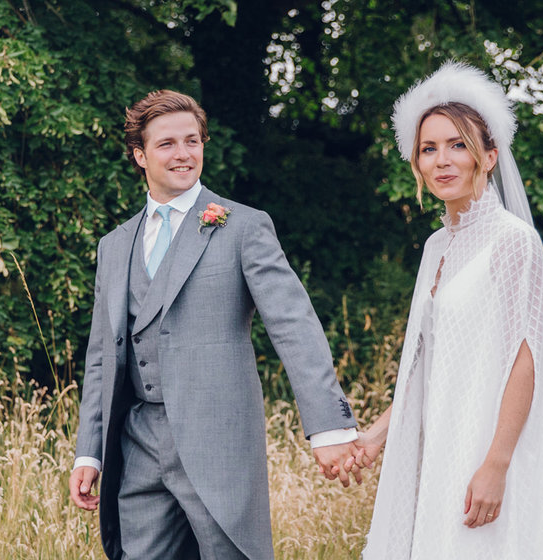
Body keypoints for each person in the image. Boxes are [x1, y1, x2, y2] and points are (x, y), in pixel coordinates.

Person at [67, 89, 362, 560]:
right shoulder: (114, 245)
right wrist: (90, 451)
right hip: (136, 445)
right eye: (167, 144)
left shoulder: (243, 227)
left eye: (192, 141)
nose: (183, 154)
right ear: (140, 156)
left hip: (218, 446)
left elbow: (294, 326)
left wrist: (328, 427)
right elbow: (102, 355)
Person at [353, 62, 543, 558]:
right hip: (439, 448)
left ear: (488, 157)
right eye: (429, 148)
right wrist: (376, 436)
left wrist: (497, 463)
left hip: (489, 449)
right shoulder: (435, 247)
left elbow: (526, 358)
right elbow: (426, 364)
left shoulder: (514, 241)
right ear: (417, 163)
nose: (443, 160)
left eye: (458, 145)